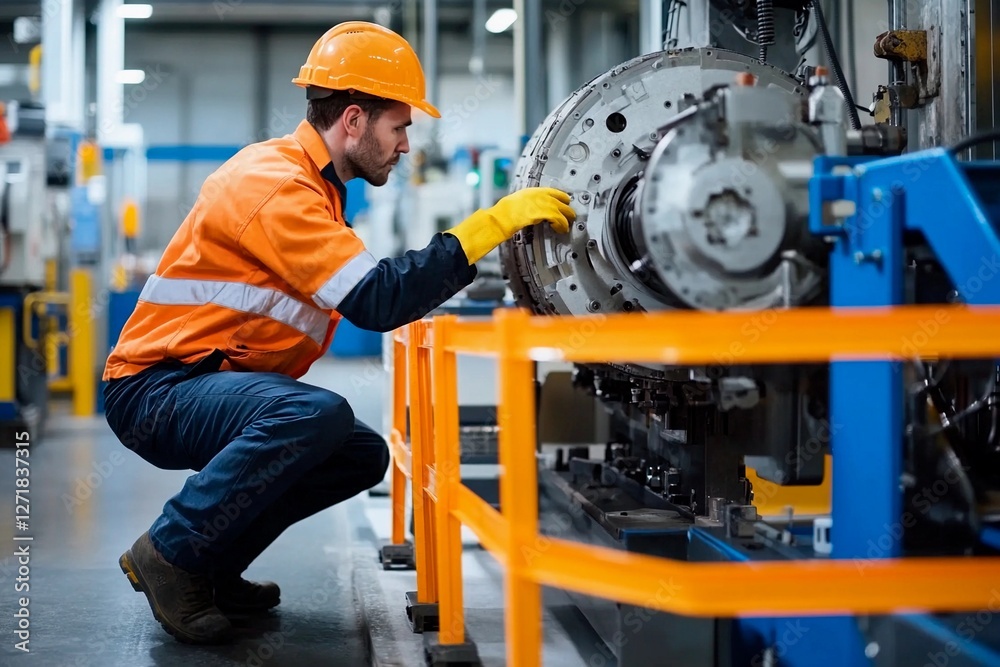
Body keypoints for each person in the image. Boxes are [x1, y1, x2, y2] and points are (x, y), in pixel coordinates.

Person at [103, 21, 575, 645]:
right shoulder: (278, 185)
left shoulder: (316, 187)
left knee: (360, 453)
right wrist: (490, 226)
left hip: (203, 385)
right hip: (155, 392)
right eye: (399, 127)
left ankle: (211, 566)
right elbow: (378, 299)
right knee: (314, 416)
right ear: (353, 120)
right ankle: (172, 554)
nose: (406, 144)